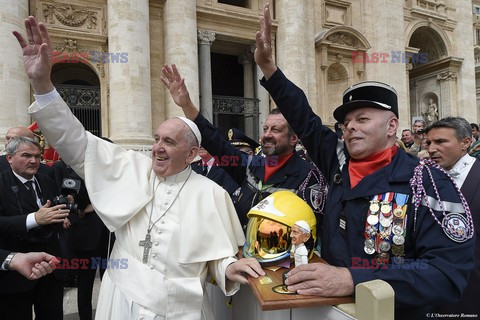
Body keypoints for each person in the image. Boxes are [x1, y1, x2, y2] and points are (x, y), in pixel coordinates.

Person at [13, 16, 264, 319]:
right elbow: (75, 141)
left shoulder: (212, 194)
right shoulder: (131, 167)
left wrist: (229, 266)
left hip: (180, 310)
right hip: (122, 299)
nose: (157, 147)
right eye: (156, 138)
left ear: (193, 154)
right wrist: (42, 84)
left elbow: (217, 256)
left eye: (169, 142)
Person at [253, 3, 474, 319]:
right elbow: (305, 119)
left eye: (363, 118)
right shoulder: (337, 163)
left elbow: (447, 273)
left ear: (392, 126)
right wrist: (271, 72)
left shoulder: (426, 182)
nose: (351, 126)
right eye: (346, 122)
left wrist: (353, 279)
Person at [161, 65, 326, 231]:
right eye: (265, 128)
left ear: (294, 139)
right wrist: (187, 104)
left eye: (275, 130)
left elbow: (309, 231)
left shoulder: (308, 177)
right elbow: (216, 143)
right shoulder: (251, 165)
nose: (267, 135)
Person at [0, 137, 69, 320]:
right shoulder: (1, 183)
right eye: (26, 155)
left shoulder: (46, 181)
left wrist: (60, 217)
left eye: (38, 156)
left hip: (51, 268)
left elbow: (52, 212)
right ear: (9, 158)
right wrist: (34, 219)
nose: (34, 161)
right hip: (16, 273)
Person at [425, 117, 480, 315]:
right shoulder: (422, 178)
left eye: (440, 142)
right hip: (428, 291)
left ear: (466, 142)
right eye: (429, 142)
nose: (431, 149)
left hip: (472, 292)